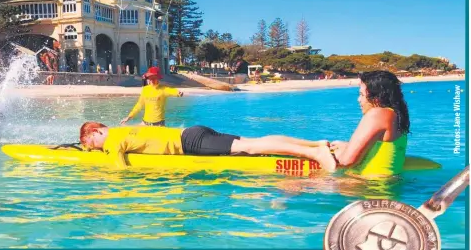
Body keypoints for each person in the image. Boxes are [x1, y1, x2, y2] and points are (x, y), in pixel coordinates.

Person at [79, 122, 336, 172]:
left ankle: (314, 153)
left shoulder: (112, 141)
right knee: (252, 142)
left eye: (91, 144)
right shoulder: (125, 129)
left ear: (95, 132)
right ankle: (316, 143)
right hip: (193, 131)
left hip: (190, 142)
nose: (94, 148)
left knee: (251, 148)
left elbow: (119, 171)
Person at [329, 71, 411, 176]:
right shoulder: (397, 115)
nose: (359, 100)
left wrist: (338, 153)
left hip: (366, 187)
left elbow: (346, 162)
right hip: (385, 187)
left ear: (376, 98)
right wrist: (347, 146)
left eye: (361, 95)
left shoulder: (378, 114)